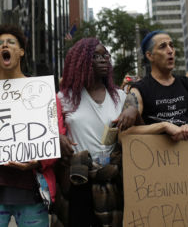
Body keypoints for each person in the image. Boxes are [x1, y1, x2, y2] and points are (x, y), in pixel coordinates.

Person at [0, 24, 63, 227]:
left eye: (11, 42)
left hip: (32, 193)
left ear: (21, 52)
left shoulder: (43, 92)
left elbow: (57, 135)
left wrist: (38, 162)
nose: (5, 45)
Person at [57, 38, 135, 227]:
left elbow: (137, 133)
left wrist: (134, 110)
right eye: (96, 56)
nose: (103, 60)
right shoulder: (63, 98)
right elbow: (47, 131)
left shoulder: (121, 97)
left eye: (105, 55)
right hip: (78, 179)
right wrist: (57, 138)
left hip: (110, 180)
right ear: (81, 61)